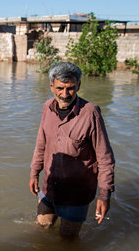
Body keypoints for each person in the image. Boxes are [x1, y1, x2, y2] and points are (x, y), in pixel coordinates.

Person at [29, 62, 115, 238]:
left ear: (78, 86)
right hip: (50, 185)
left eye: (71, 88)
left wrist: (104, 195)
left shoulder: (90, 113)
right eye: (60, 88)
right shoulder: (47, 107)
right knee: (41, 228)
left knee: (67, 239)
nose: (65, 94)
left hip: (77, 192)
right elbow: (41, 144)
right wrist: (34, 172)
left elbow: (105, 158)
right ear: (51, 86)